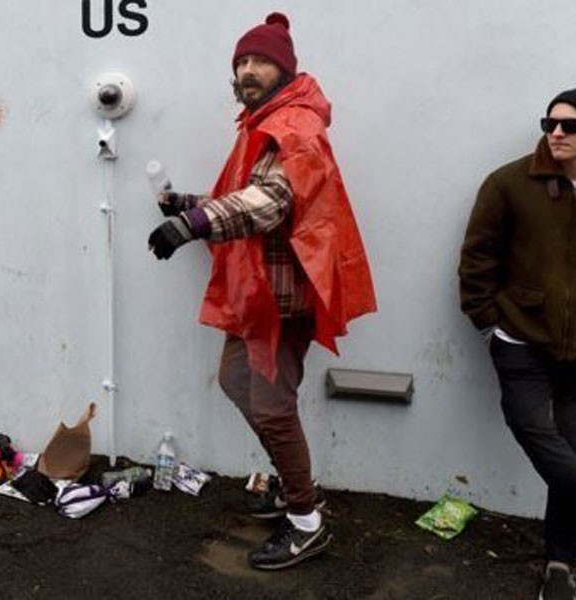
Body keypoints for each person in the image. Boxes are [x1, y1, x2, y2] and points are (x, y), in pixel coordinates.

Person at [147, 12, 375, 570]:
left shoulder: (294, 125)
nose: (248, 70)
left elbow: (273, 201)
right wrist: (187, 205)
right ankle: (291, 483)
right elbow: (244, 192)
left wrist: (195, 226)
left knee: (271, 407)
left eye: (260, 61)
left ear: (284, 69)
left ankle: (305, 520)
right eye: (241, 62)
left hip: (283, 298)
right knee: (235, 381)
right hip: (255, 295)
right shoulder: (261, 122)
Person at [459, 89, 576, 600]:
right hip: (520, 340)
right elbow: (477, 259)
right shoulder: (510, 183)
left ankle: (559, 567)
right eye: (550, 123)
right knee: (533, 428)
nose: (555, 133)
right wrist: (489, 323)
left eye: (571, 125)